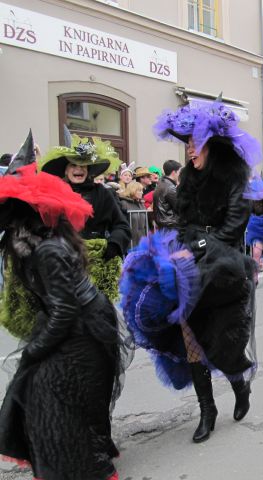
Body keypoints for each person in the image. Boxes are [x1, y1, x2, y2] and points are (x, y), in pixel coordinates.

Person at [122, 101, 263, 444]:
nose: (189, 149)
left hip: (224, 272)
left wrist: (197, 247)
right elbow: (182, 221)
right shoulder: (186, 179)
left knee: (223, 344)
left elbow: (232, 230)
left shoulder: (236, 178)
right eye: (185, 143)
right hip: (189, 271)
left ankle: (239, 385)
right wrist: (177, 247)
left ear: (211, 146)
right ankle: (207, 410)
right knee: (192, 342)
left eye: (194, 142)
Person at [0, 137, 126, 480]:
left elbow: (65, 310)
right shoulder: (30, 240)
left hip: (84, 326)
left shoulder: (45, 249)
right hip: (73, 321)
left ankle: (92, 465)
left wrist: (35, 350)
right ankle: (88, 453)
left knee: (55, 402)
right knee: (53, 396)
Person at [39, 135, 131, 300]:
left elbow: (121, 225)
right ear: (66, 170)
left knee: (97, 314)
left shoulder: (103, 193)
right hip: (62, 264)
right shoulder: (55, 194)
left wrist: (113, 245)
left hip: (97, 264)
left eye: (83, 165)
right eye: (73, 165)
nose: (78, 169)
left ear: (89, 170)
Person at [153, 159, 181, 230]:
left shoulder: (161, 184)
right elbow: (180, 207)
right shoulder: (170, 187)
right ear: (174, 172)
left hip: (164, 225)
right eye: (179, 172)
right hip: (171, 225)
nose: (180, 175)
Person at [119, 181, 148, 247]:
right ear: (133, 190)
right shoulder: (124, 203)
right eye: (140, 190)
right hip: (130, 242)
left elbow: (145, 225)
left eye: (142, 190)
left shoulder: (142, 204)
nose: (142, 192)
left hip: (142, 241)